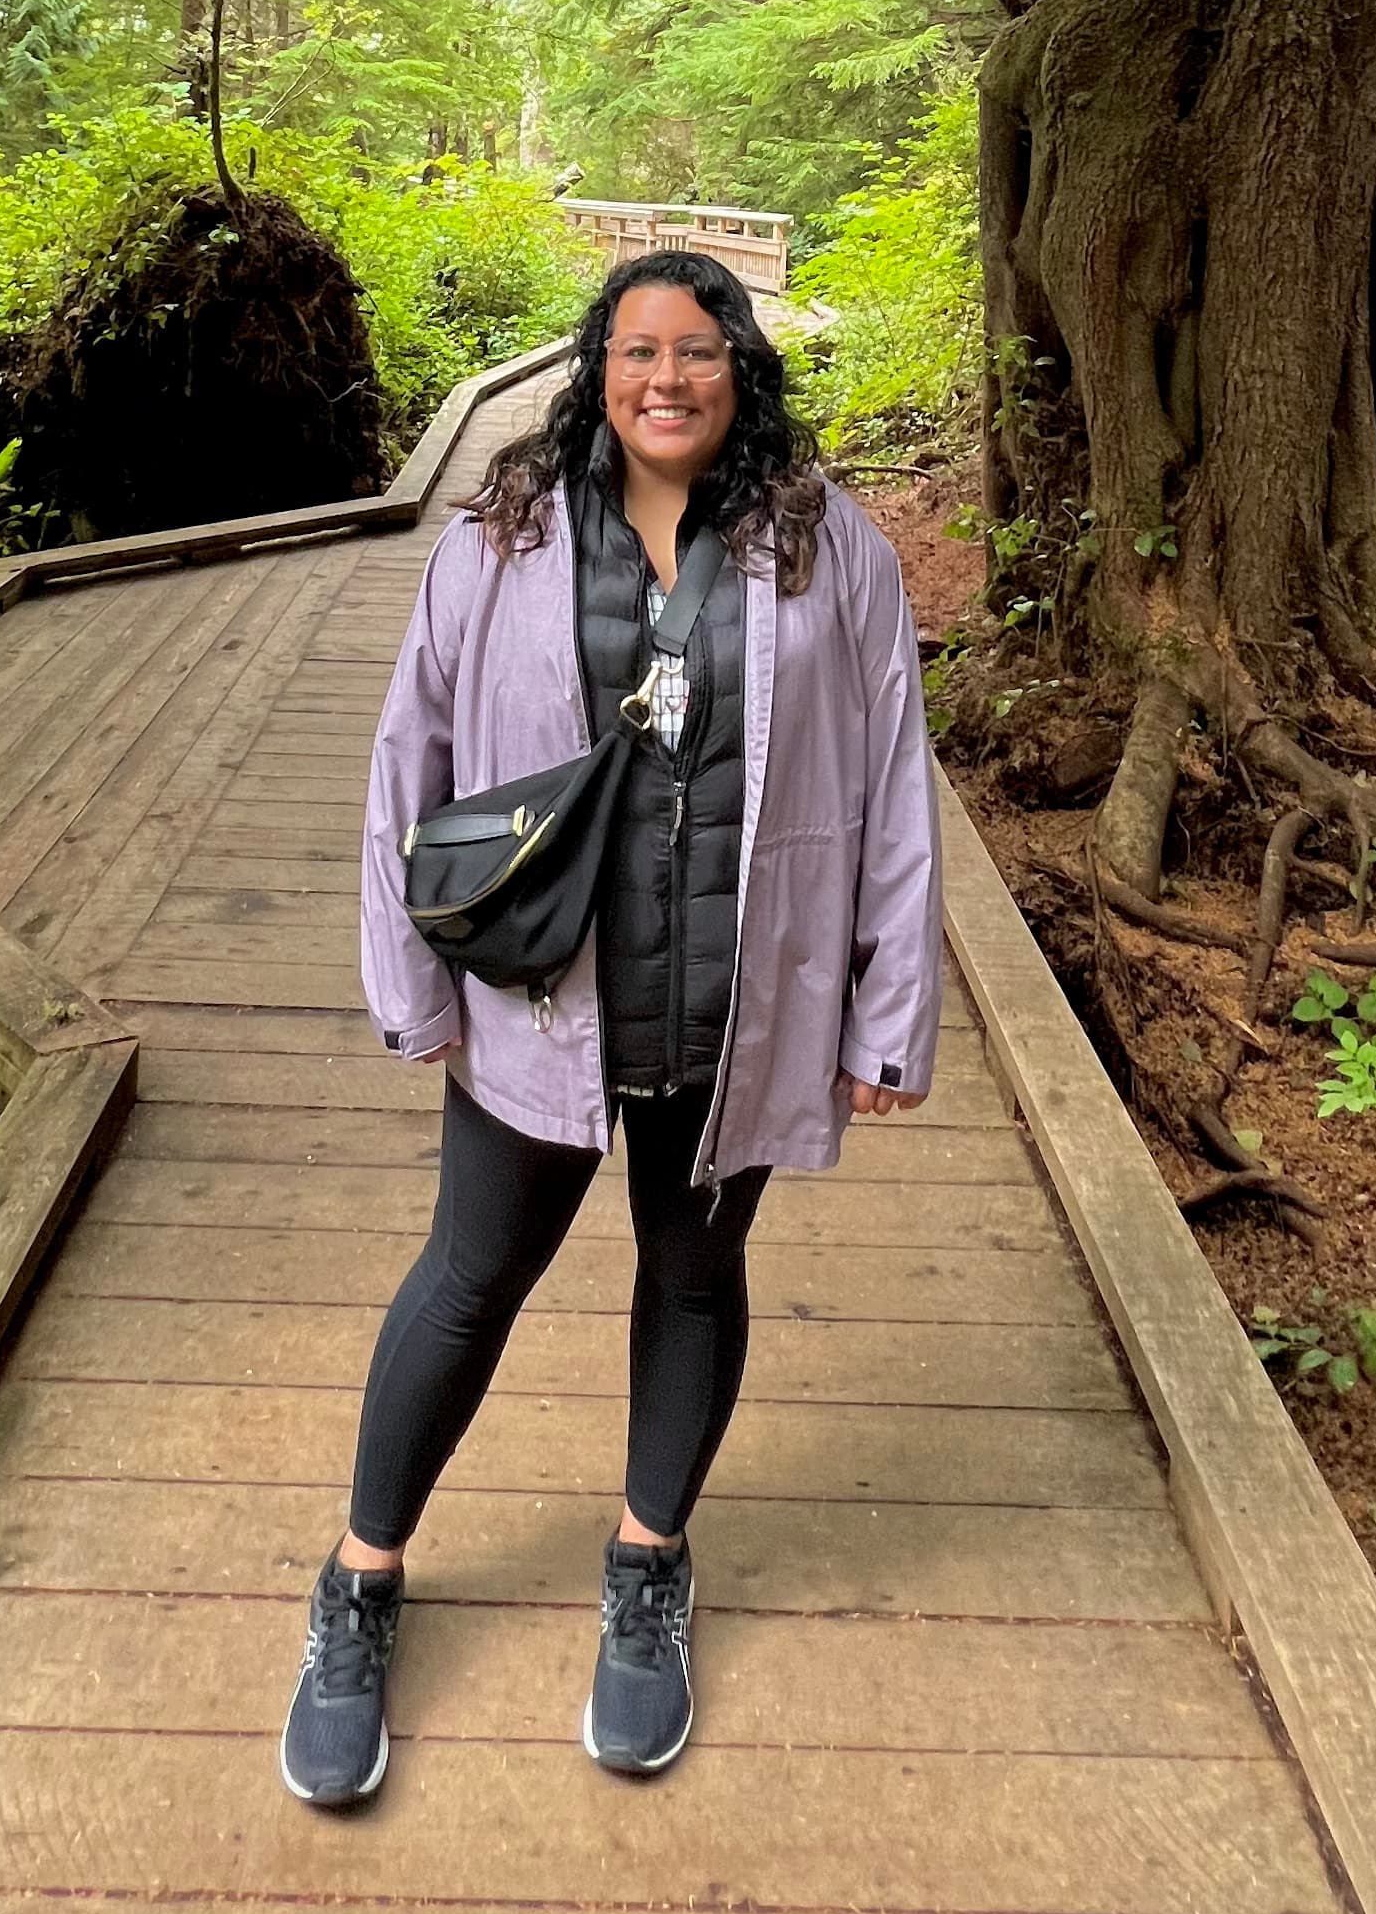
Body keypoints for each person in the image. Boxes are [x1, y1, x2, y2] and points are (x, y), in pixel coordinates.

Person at [279, 246, 941, 1808]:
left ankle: (650, 1564)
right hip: (540, 997)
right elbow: (410, 753)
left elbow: (897, 776)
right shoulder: (501, 534)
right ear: (599, 366)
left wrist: (886, 1005)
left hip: (737, 997)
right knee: (467, 1278)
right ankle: (362, 1578)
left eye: (697, 351)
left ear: (740, 368)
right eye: (639, 350)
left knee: (694, 1277)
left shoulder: (827, 546)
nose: (667, 378)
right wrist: (410, 979)